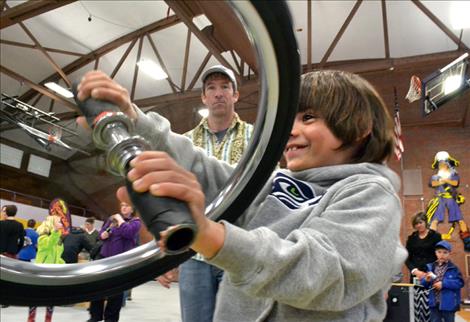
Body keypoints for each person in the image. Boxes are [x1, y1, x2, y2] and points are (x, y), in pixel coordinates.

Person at [77, 69, 407, 321]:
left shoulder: (370, 193)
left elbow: (320, 271)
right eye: (289, 118)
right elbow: (203, 170)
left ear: (360, 128)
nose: (289, 129)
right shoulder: (276, 181)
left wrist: (210, 234)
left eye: (308, 118)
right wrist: (135, 121)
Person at [157, 65, 253, 321]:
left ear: (235, 95)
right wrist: (166, 255)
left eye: (225, 87)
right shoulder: (184, 141)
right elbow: (169, 199)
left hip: (239, 250)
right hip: (194, 253)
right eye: (211, 88)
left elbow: (267, 193)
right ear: (203, 97)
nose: (218, 93)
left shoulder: (257, 138)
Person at [88, 201, 141, 322]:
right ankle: (95, 316)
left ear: (132, 209)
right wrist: (103, 235)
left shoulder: (136, 222)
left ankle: (110, 319)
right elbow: (101, 233)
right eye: (122, 205)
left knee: (115, 293)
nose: (123, 208)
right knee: (97, 288)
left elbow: (128, 233)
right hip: (104, 257)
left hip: (121, 262)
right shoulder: (112, 219)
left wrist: (120, 220)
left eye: (126, 206)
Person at [28, 213, 65, 322]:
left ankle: (48, 320)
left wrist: (63, 266)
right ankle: (31, 319)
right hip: (41, 273)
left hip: (53, 273)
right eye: (58, 221)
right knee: (35, 298)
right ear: (52, 223)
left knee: (51, 299)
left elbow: (58, 256)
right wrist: (56, 232)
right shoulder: (42, 238)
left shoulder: (58, 239)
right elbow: (49, 244)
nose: (60, 223)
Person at [420, 240, 464, 322]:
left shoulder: (454, 269)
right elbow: (423, 284)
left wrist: (444, 284)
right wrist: (426, 280)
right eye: (439, 252)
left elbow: (460, 283)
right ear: (435, 253)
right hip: (434, 303)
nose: (442, 255)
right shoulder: (430, 267)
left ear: (449, 253)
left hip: (449, 304)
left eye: (445, 252)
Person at [405, 212, 442, 282]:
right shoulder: (411, 238)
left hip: (432, 274)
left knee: (432, 292)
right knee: (416, 293)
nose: (418, 225)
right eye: (416, 224)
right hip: (416, 275)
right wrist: (415, 271)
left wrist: (434, 270)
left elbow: (441, 254)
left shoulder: (436, 236)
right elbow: (406, 258)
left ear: (425, 222)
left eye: (420, 222)